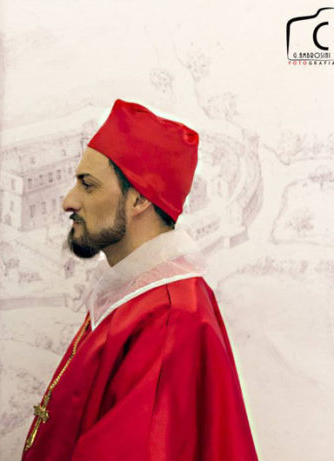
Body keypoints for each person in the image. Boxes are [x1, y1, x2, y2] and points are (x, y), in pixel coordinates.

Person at [21, 100, 258, 460]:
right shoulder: (140, 295)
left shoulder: (168, 319)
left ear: (139, 201)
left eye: (88, 185)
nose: (69, 201)